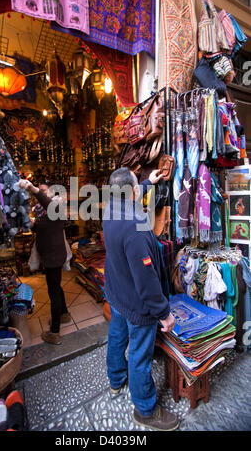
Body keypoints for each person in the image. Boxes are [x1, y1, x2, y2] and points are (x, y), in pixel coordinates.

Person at [103, 167, 179, 431]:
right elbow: (146, 282)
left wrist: (149, 182)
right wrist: (164, 313)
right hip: (136, 303)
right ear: (132, 192)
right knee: (139, 354)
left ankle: (116, 380)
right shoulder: (136, 229)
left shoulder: (109, 208)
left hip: (116, 292)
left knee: (116, 337)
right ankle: (145, 410)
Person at [19, 179, 70, 345]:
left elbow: (48, 204)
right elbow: (41, 227)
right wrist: (33, 224)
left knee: (53, 290)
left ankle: (54, 332)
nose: (41, 192)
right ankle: (64, 313)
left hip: (53, 257)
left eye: (44, 190)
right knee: (56, 285)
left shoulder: (57, 206)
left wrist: (32, 189)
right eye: (40, 189)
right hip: (49, 256)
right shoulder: (42, 211)